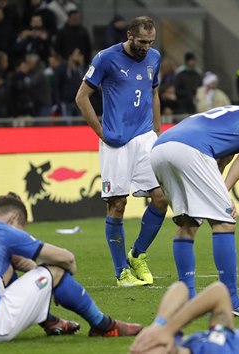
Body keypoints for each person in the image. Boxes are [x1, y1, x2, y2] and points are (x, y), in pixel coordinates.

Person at [149, 94, 239, 317]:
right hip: (191, 151)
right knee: (225, 222)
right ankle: (231, 302)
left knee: (187, 224)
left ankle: (186, 297)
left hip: (160, 149)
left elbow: (222, 160)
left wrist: (218, 192)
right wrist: (223, 196)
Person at [0, 192, 143, 343]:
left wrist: (40, 283)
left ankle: (50, 321)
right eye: (22, 229)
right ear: (14, 219)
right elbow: (68, 259)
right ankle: (104, 326)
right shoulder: (2, 231)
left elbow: (17, 262)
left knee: (9, 264)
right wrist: (58, 281)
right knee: (56, 271)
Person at [75, 16, 168, 287]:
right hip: (116, 141)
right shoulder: (106, 58)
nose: (146, 47)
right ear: (129, 35)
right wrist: (101, 132)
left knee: (161, 199)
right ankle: (121, 273)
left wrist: (157, 130)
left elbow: (154, 93)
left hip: (145, 137)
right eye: (141, 42)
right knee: (118, 205)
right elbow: (81, 97)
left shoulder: (154, 58)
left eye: (151, 42)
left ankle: (137, 255)